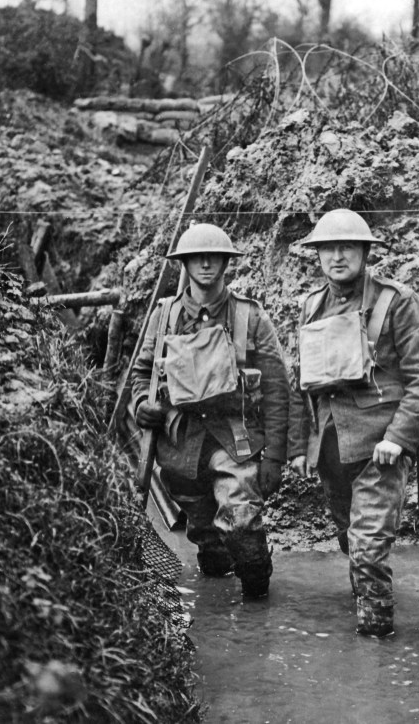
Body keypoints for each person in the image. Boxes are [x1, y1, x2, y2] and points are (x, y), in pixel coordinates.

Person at [288, 209, 419, 637]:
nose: (337, 256)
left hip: (380, 450)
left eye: (347, 248)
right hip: (332, 451)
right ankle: (364, 600)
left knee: (369, 547)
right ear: (317, 255)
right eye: (328, 249)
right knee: (350, 540)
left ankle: (376, 641)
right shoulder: (311, 306)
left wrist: (398, 438)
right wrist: (301, 445)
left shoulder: (396, 302)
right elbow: (303, 384)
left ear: (364, 252)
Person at [131, 223, 289, 599]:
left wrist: (276, 458)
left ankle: (256, 594)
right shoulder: (164, 315)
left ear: (225, 262)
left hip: (232, 439)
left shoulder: (250, 317)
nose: (205, 263)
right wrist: (142, 405)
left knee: (241, 522)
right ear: (183, 262)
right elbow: (141, 373)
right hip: (180, 444)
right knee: (207, 541)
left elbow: (278, 390)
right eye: (196, 257)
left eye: (213, 256)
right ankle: (216, 593)